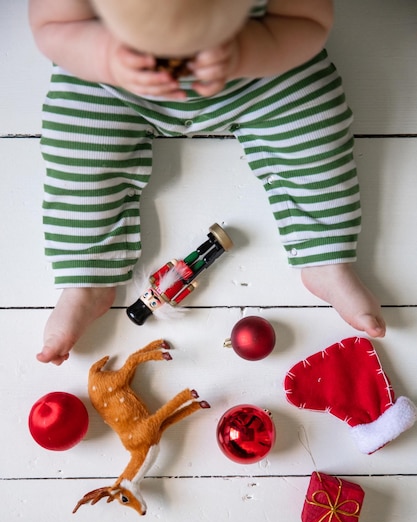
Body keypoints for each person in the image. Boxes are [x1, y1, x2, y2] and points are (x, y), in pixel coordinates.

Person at [29, 0, 386, 366]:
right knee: (80, 151)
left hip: (258, 73)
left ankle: (326, 257)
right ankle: (86, 278)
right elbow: (53, 27)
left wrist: (246, 50)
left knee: (315, 131)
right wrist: (106, 55)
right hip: (112, 82)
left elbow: (307, 21)